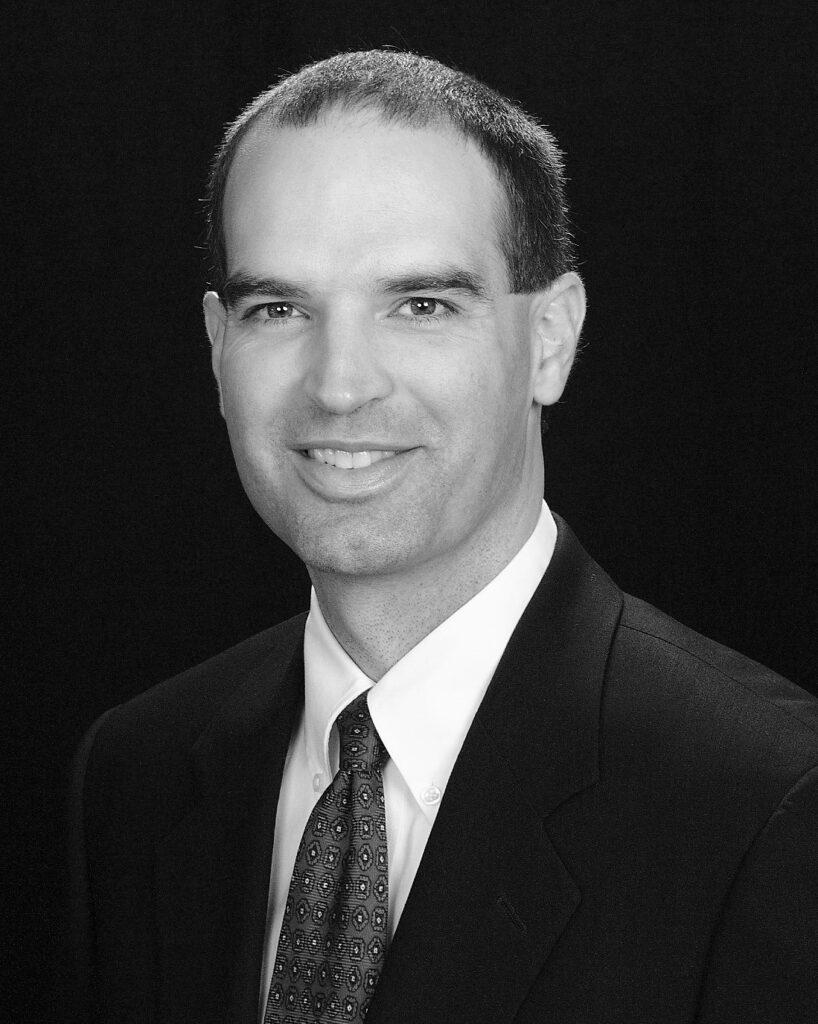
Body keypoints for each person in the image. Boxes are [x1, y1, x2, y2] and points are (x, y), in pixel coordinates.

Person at [70, 50, 818, 1024]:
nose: (340, 385)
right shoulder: (135, 774)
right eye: (278, 308)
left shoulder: (767, 803)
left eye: (420, 305)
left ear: (549, 339)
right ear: (219, 349)